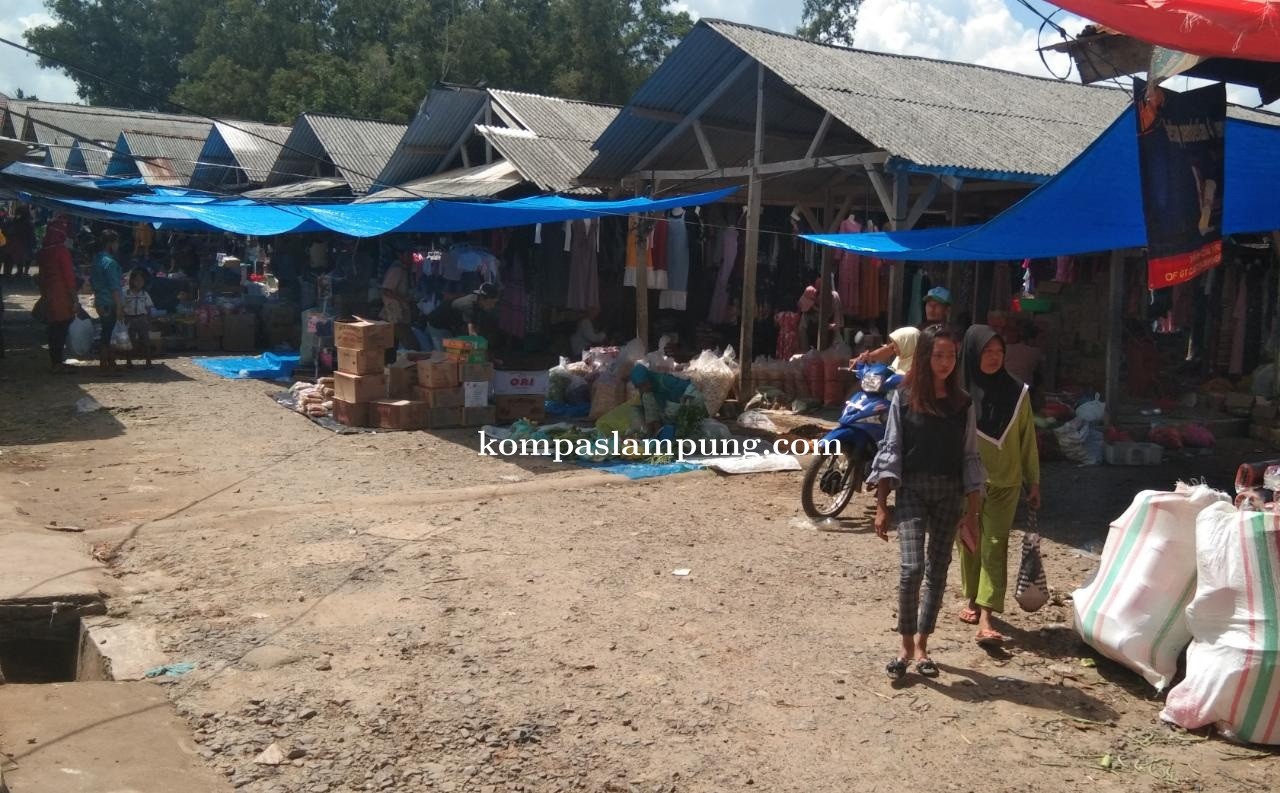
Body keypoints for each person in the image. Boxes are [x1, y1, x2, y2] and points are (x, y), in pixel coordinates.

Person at [867, 324, 985, 681]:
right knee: (911, 568)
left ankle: (922, 647)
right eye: (938, 355)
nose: (945, 362)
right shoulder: (902, 398)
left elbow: (970, 456)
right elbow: (891, 451)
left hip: (950, 493)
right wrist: (882, 504)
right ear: (924, 357)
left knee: (937, 571)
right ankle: (904, 646)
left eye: (951, 356)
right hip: (913, 491)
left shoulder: (963, 403)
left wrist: (973, 514)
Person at [957, 325, 1041, 646]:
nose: (993, 358)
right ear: (972, 354)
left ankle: (988, 613)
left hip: (1006, 482)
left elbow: (1027, 440)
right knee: (969, 542)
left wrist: (1033, 480)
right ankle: (973, 598)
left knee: (994, 543)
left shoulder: (1018, 393)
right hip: (968, 484)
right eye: (986, 352)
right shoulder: (959, 395)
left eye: (998, 352)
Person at [37, 217, 80, 373]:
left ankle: (55, 361)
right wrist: (75, 300)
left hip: (49, 296)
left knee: (53, 329)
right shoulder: (61, 252)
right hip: (62, 297)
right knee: (60, 330)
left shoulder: (43, 252)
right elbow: (69, 278)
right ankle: (58, 363)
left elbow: (40, 277)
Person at [628, 363, 706, 441]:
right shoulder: (648, 393)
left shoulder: (664, 381)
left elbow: (680, 397)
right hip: (674, 408)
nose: (643, 389)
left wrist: (674, 412)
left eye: (644, 384)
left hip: (690, 398)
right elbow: (651, 412)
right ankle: (658, 433)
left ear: (648, 378)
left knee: (690, 426)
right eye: (639, 387)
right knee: (647, 397)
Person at [90, 229, 125, 375]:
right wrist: (119, 307)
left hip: (100, 301)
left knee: (107, 333)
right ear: (110, 243)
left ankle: (110, 363)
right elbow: (114, 287)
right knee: (108, 335)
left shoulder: (97, 259)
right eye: (116, 242)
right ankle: (104, 366)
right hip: (109, 302)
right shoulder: (109, 263)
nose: (118, 246)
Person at [425, 283, 500, 348]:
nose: (493, 306)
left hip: (450, 325)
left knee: (455, 352)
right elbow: (472, 333)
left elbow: (476, 326)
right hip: (437, 324)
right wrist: (480, 349)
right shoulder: (469, 305)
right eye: (491, 302)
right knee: (443, 355)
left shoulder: (479, 303)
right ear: (482, 298)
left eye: (495, 302)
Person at [380, 253, 417, 353]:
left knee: (392, 346)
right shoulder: (397, 270)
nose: (411, 258)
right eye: (408, 255)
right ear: (401, 256)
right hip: (395, 313)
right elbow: (386, 290)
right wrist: (403, 299)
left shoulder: (405, 270)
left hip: (400, 313)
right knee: (411, 345)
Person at [122, 268, 156, 369]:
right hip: (129, 319)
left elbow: (149, 307)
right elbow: (122, 307)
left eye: (141, 281)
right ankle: (129, 361)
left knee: (146, 340)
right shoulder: (126, 293)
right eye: (136, 280)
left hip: (142, 319)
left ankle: (148, 361)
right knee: (130, 341)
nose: (139, 283)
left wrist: (149, 319)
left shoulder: (144, 294)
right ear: (132, 281)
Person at [855, 326, 920, 375]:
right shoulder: (899, 360)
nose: (894, 350)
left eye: (896, 346)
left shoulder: (917, 369)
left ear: (907, 346)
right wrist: (863, 362)